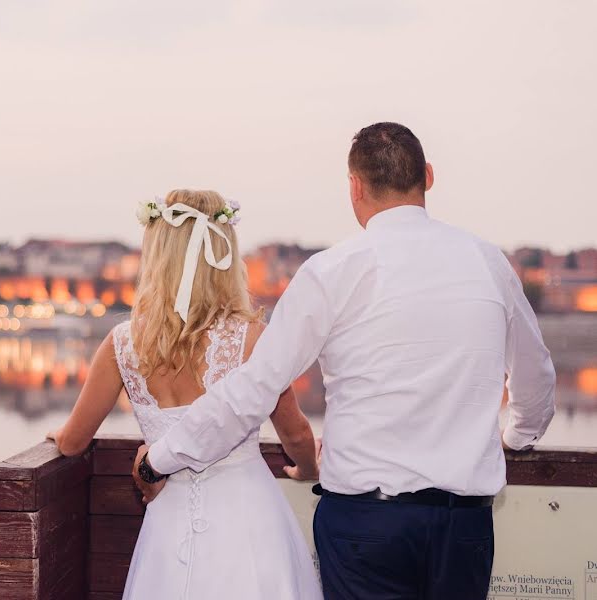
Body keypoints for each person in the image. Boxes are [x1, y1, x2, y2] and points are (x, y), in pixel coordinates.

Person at [137, 122, 557, 600]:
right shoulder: (488, 262)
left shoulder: (331, 272)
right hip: (462, 524)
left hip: (364, 525)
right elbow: (536, 377)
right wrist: (518, 435)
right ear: (429, 176)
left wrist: (160, 459)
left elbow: (254, 388)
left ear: (355, 186)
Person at [48, 189, 323, 599]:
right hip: (248, 524)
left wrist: (56, 437)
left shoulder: (122, 343)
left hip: (168, 526)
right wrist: (307, 471)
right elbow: (296, 433)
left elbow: (74, 441)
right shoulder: (251, 339)